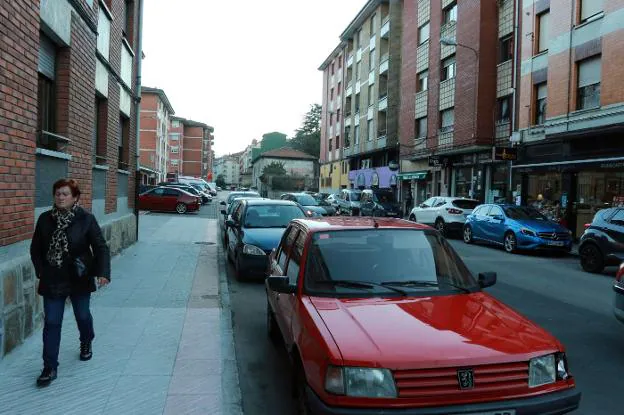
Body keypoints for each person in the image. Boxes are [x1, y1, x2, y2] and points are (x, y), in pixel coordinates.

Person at [30, 178, 111, 387]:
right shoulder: (45, 219)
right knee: (52, 322)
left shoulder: (86, 219)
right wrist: (41, 270)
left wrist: (102, 272)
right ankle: (49, 367)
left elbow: (100, 247)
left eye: (65, 194)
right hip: (53, 277)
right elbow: (36, 249)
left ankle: (86, 341)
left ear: (75, 197)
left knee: (82, 315)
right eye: (57, 193)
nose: (60, 197)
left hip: (79, 276)